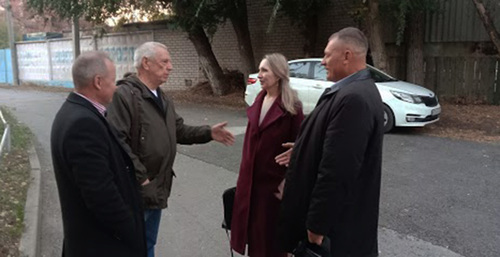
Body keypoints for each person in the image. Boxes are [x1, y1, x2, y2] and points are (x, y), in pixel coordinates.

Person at [106, 41, 235, 257]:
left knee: (147, 243)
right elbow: (117, 142)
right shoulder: (124, 95)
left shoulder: (161, 97)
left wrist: (208, 133)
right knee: (130, 246)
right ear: (146, 63)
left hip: (157, 186)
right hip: (136, 190)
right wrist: (141, 179)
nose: (170, 66)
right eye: (165, 61)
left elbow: (178, 130)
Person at [277, 27, 385, 257]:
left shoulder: (354, 98)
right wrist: (304, 150)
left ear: (347, 56)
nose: (323, 62)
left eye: (327, 55)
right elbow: (337, 145)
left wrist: (317, 225)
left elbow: (338, 170)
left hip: (337, 233)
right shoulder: (352, 91)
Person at [50, 51, 146, 257]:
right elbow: (101, 195)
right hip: (102, 246)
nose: (116, 87)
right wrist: (132, 231)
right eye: (113, 81)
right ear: (98, 82)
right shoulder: (83, 123)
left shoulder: (76, 112)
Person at [231, 53, 304, 257]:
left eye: (265, 70)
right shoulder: (258, 99)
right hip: (250, 185)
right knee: (254, 241)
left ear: (279, 73)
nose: (259, 74)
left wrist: (287, 183)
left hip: (274, 189)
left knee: (273, 245)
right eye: (260, 70)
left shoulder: (292, 107)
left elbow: (300, 150)